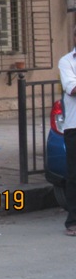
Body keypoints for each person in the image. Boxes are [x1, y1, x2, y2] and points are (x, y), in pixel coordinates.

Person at [59, 25, 76, 235]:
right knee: (74, 176)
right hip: (74, 126)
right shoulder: (67, 61)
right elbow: (72, 88)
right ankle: (73, 220)